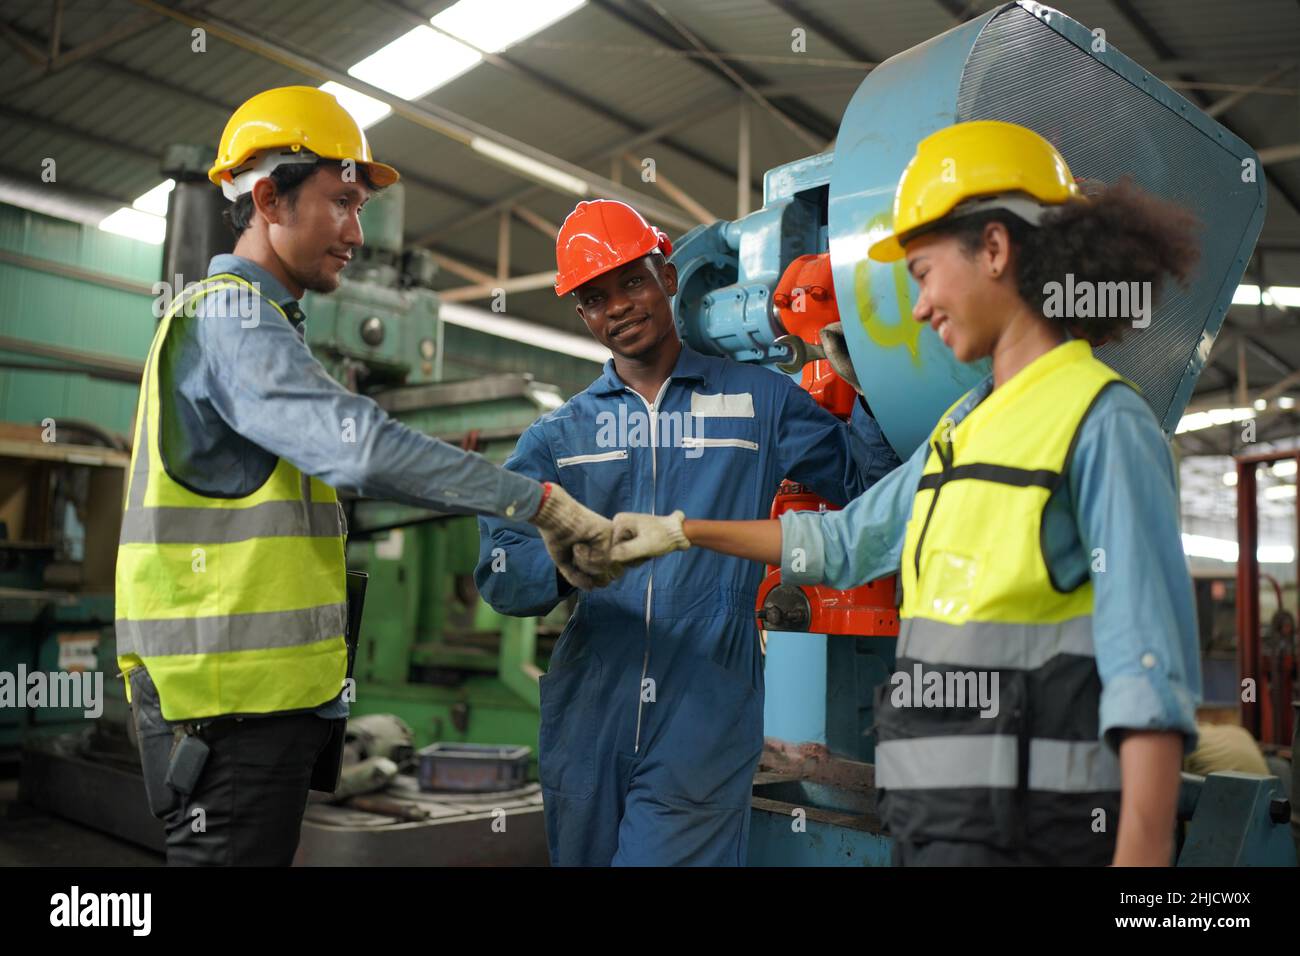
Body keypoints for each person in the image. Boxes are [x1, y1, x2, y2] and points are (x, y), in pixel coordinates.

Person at [608, 120, 1204, 866]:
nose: (918, 307)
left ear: (994, 248)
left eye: (922, 273)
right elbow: (841, 542)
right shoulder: (964, 425)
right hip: (933, 830)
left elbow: (1147, 675)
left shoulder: (1103, 424)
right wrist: (681, 530)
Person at [115, 86, 611, 866]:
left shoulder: (264, 324)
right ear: (270, 198)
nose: (356, 233)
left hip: (254, 707)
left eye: (361, 208)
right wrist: (537, 503)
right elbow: (363, 450)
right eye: (341, 203)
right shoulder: (231, 318)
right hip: (227, 710)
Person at [475, 198, 901, 865]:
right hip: (590, 709)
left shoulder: (756, 401)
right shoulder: (563, 436)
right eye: (595, 297)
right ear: (583, 315)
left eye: (633, 281)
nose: (618, 305)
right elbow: (498, 571)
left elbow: (865, 486)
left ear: (668, 276)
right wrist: (563, 565)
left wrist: (872, 384)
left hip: (705, 706)